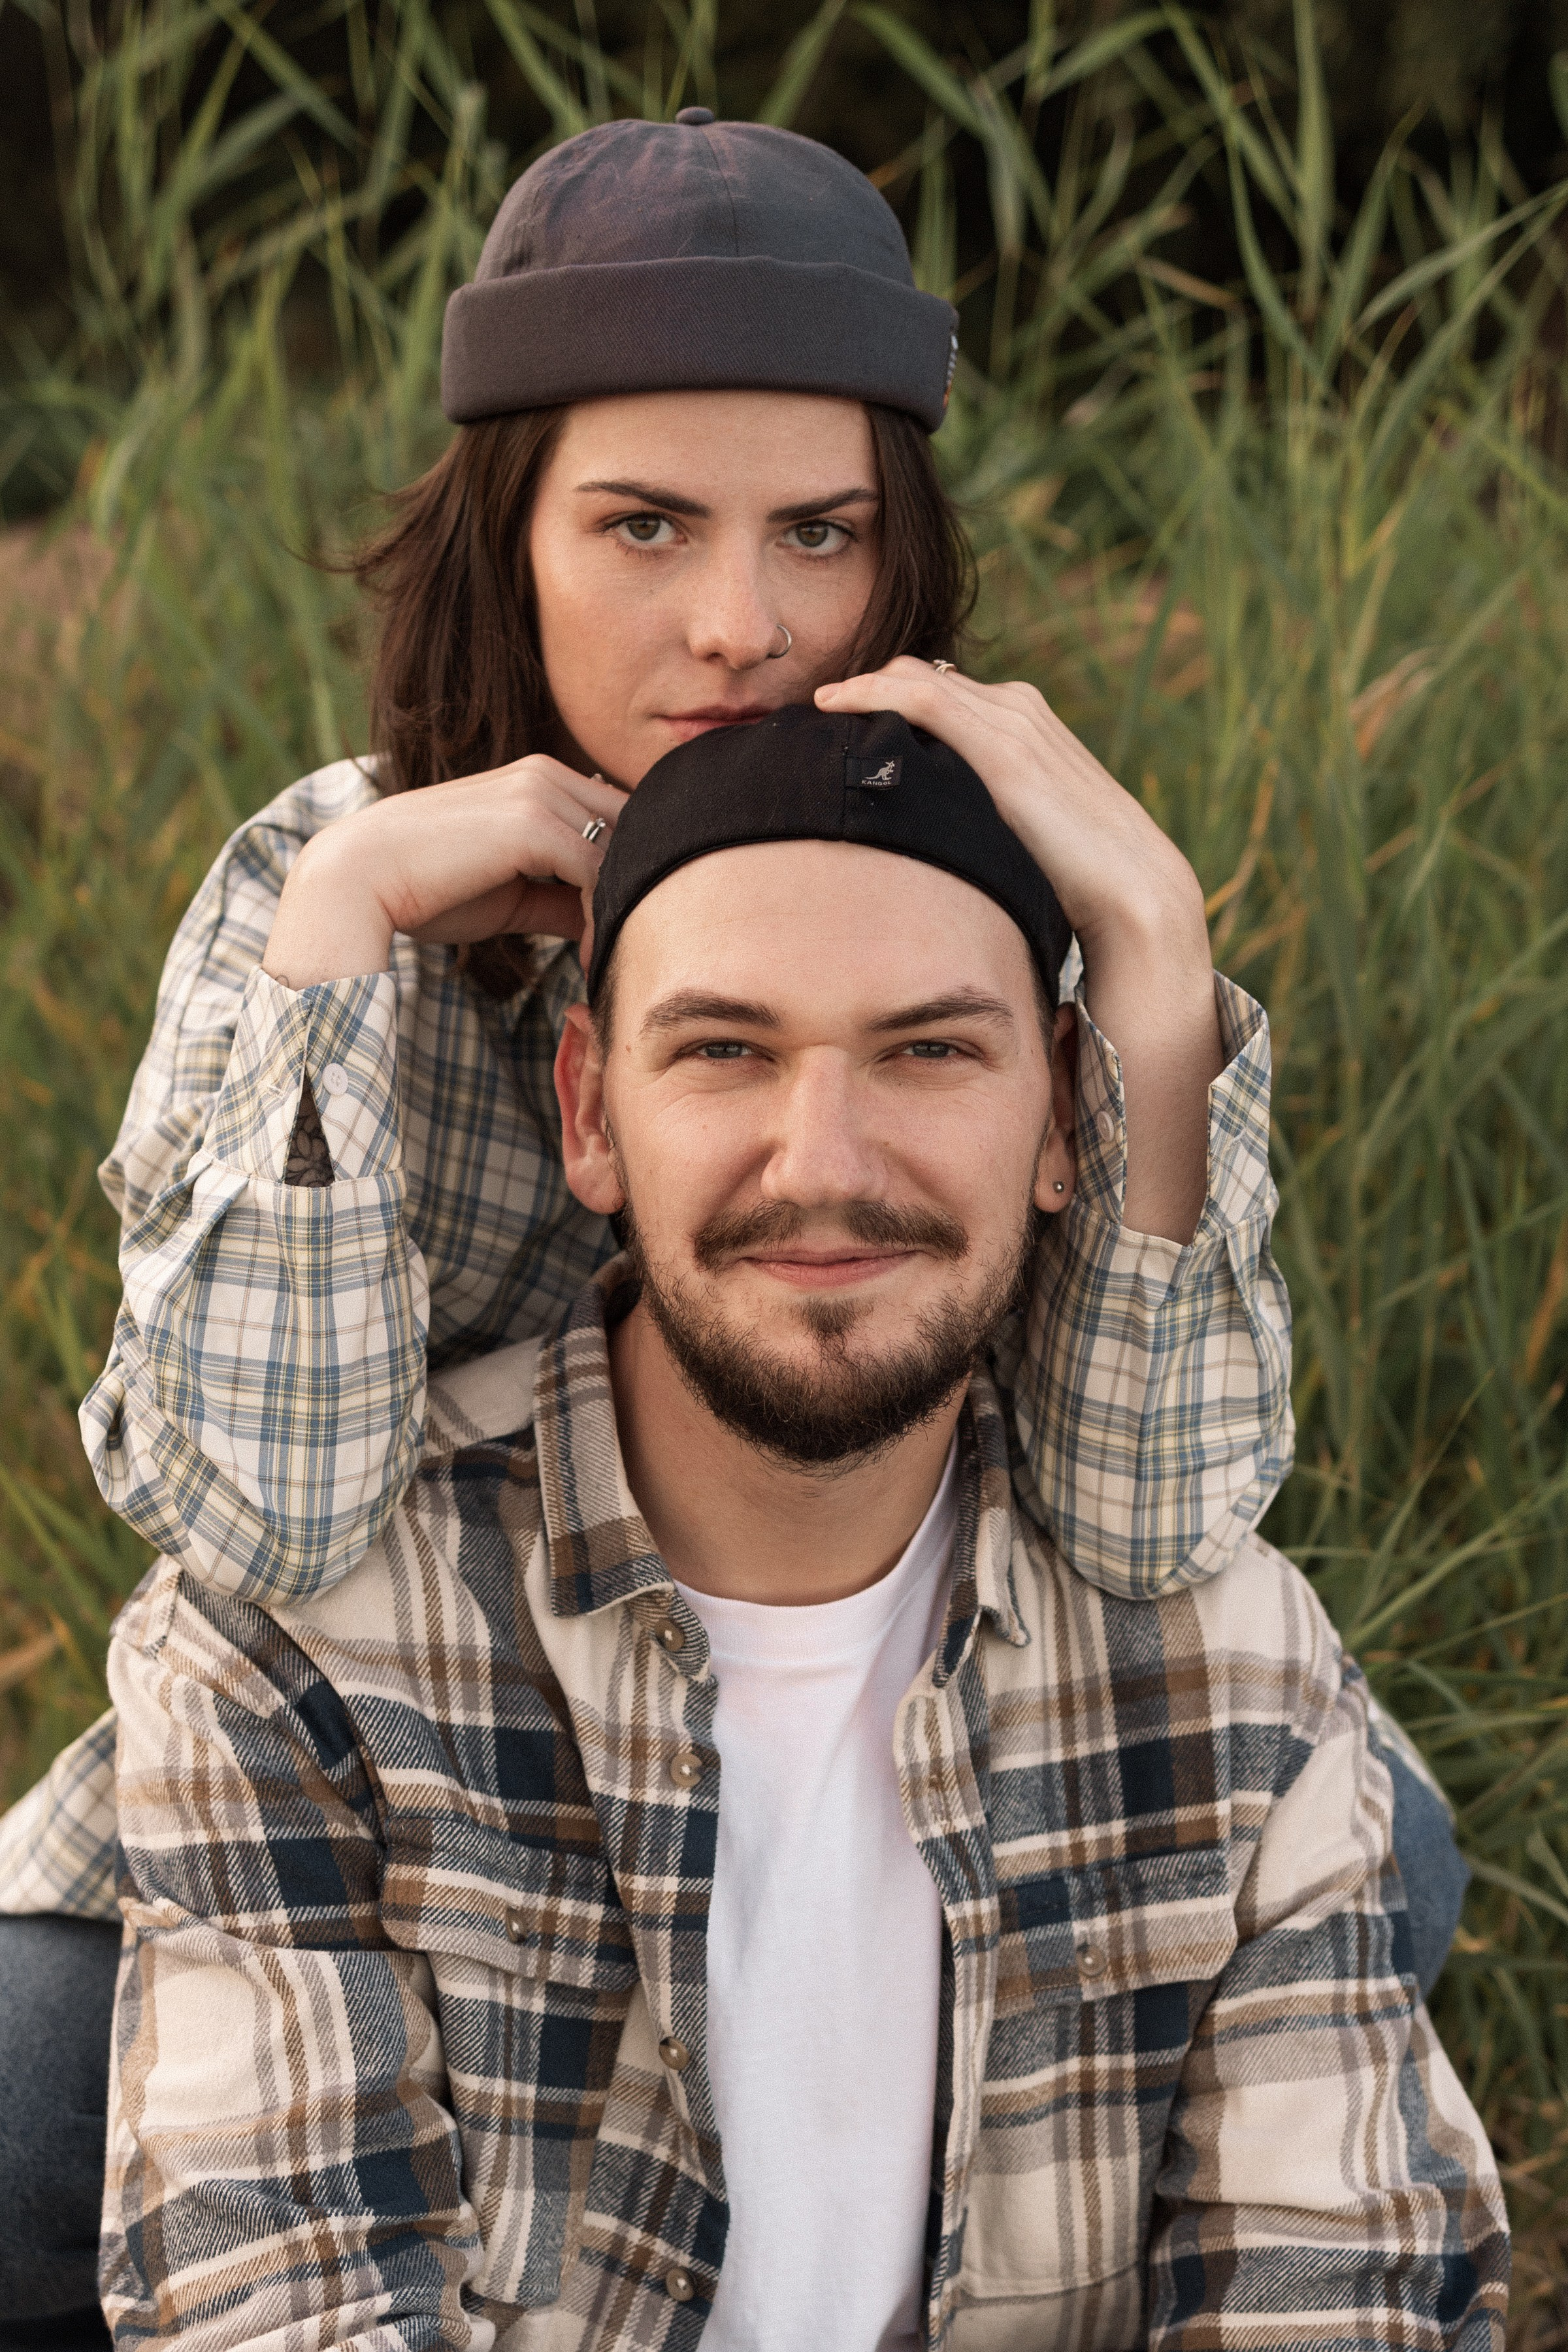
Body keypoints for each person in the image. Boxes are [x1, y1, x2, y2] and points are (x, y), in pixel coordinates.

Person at [0, 114, 1463, 2344]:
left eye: (821, 534)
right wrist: (348, 926)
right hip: (414, 1771)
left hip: (875, 1708)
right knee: (38, 2087)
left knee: (1363, 1837)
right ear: (513, 540)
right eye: (645, 525)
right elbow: (264, 1521)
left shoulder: (976, 888)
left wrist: (1154, 973)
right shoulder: (325, 890)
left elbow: (1150, 1523)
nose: (741, 624)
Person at [101, 706, 1507, 2350]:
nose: (824, 1162)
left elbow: (1344, 2294)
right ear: (591, 1111)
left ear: (1064, 1118)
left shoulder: (1238, 1667)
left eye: (929, 1052)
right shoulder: (296, 1664)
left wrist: (1156, 936)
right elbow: (288, 2308)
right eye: (723, 1051)